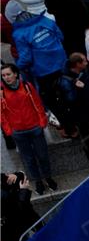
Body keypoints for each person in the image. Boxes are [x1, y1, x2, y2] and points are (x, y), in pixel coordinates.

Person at [0, 64, 56, 195]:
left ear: (15, 74)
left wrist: (42, 121)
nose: (6, 78)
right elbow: (1, 114)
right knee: (29, 159)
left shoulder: (27, 86)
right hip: (18, 132)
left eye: (8, 74)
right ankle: (37, 181)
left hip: (34, 127)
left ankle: (48, 177)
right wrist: (9, 131)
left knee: (42, 155)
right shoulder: (1, 92)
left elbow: (37, 103)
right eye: (3, 76)